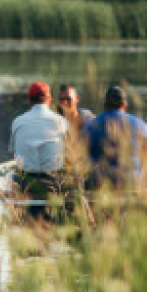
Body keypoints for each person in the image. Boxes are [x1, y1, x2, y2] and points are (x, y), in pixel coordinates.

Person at [8, 81, 70, 218]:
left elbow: (14, 152)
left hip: (25, 183)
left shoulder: (18, 122)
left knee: (10, 177)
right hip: (53, 183)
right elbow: (68, 153)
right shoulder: (61, 122)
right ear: (50, 100)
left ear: (29, 101)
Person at [83, 85, 147, 191]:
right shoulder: (141, 125)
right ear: (125, 105)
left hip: (99, 187)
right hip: (133, 185)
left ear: (104, 105)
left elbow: (79, 155)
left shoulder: (90, 125)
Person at [55, 83, 94, 183]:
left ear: (77, 98)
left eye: (68, 99)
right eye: (61, 100)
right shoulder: (55, 121)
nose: (65, 103)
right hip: (63, 168)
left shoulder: (88, 118)